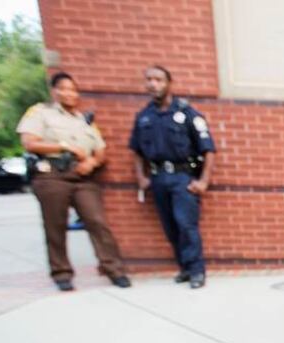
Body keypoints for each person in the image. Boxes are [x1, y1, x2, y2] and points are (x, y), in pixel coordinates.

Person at [17, 72, 131, 291]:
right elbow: (29, 143)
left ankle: (114, 269)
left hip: (82, 176)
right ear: (54, 91)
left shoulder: (84, 121)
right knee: (55, 226)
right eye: (64, 88)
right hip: (52, 175)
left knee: (97, 222)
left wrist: (92, 162)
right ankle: (61, 273)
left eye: (72, 89)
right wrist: (64, 146)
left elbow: (101, 151)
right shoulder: (41, 113)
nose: (69, 93)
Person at [129, 65, 216, 289]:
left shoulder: (188, 114)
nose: (152, 84)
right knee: (170, 227)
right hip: (158, 178)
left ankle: (196, 271)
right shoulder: (144, 117)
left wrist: (203, 180)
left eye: (158, 80)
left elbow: (208, 149)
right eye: (149, 80)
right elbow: (137, 151)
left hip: (183, 177)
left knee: (186, 225)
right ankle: (185, 268)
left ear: (169, 84)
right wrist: (141, 177)